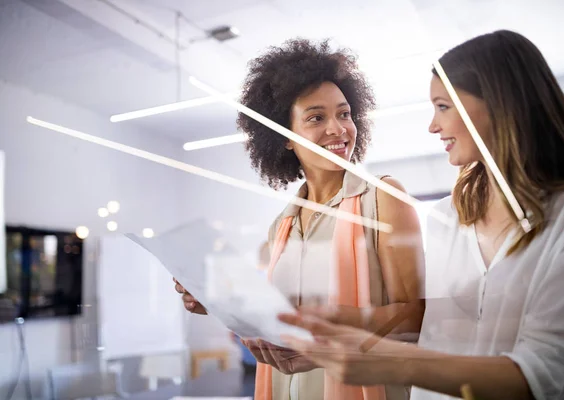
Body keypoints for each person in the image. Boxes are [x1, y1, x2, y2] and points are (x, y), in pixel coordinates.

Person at [278, 30, 564, 400]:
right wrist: (329, 331)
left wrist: (390, 361)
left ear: (501, 104)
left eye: (443, 106)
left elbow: (542, 370)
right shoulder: (449, 214)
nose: (433, 125)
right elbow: (435, 327)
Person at [174, 38, 425, 400]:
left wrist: (328, 340)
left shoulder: (383, 198)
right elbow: (278, 317)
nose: (339, 129)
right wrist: (217, 302)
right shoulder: (283, 225)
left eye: (344, 113)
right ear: (286, 137)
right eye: (316, 118)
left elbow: (416, 317)